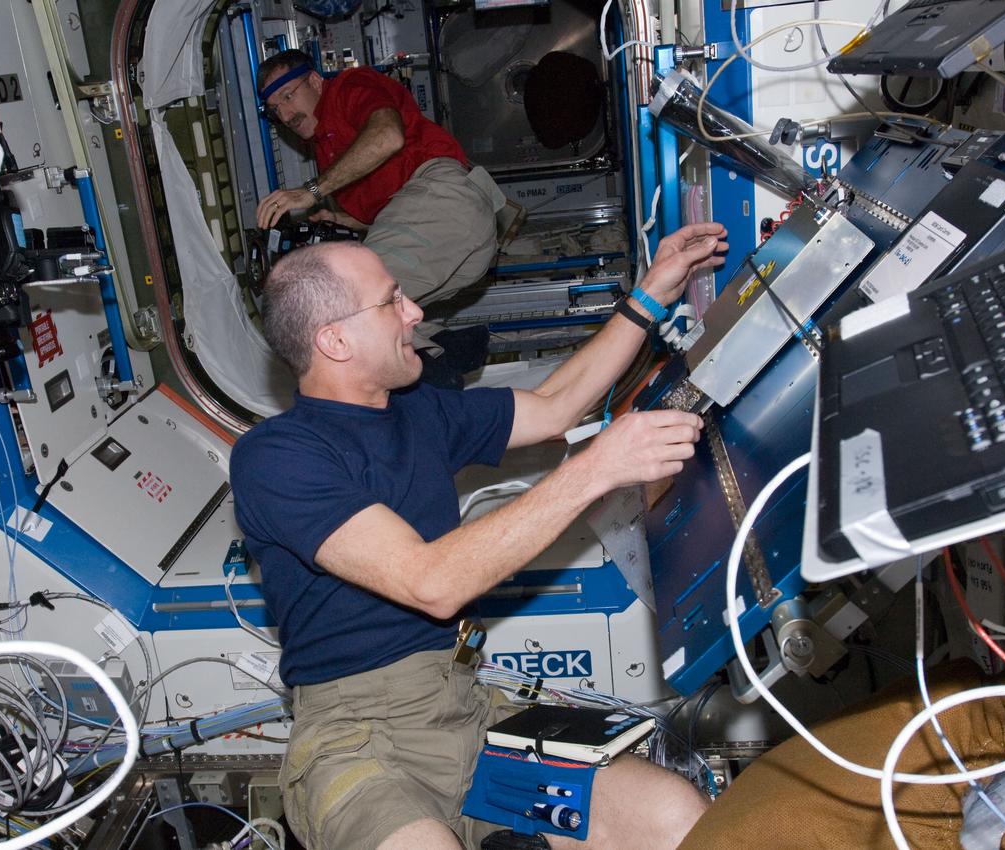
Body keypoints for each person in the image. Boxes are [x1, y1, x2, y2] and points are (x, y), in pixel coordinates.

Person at [229, 220, 728, 850]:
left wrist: (650, 294)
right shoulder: (276, 456)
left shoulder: (421, 412)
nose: (414, 311)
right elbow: (430, 582)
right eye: (390, 301)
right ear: (334, 340)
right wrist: (595, 469)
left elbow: (556, 404)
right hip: (358, 739)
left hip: (469, 709)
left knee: (670, 814)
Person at [253, 50, 521, 310]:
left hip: (445, 201)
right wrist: (344, 220)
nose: (286, 116)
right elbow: (393, 206)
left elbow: (388, 136)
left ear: (314, 81)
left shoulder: (348, 87)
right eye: (276, 110)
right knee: (387, 323)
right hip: (457, 242)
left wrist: (311, 191)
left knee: (344, 301)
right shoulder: (325, 147)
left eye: (288, 96)